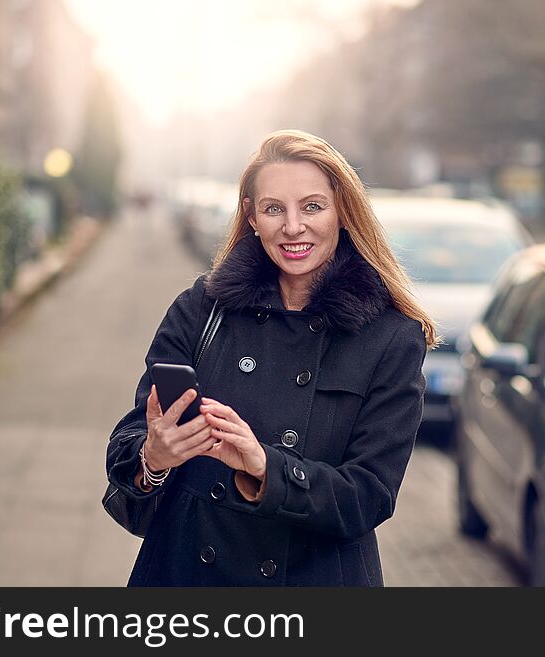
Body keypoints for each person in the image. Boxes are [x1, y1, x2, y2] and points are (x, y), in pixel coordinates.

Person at [106, 129, 437, 586]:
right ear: (252, 216)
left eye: (313, 206)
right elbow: (132, 435)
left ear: (344, 213)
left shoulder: (390, 338)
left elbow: (369, 495)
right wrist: (153, 456)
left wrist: (265, 468)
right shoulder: (203, 308)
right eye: (274, 208)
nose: (293, 226)